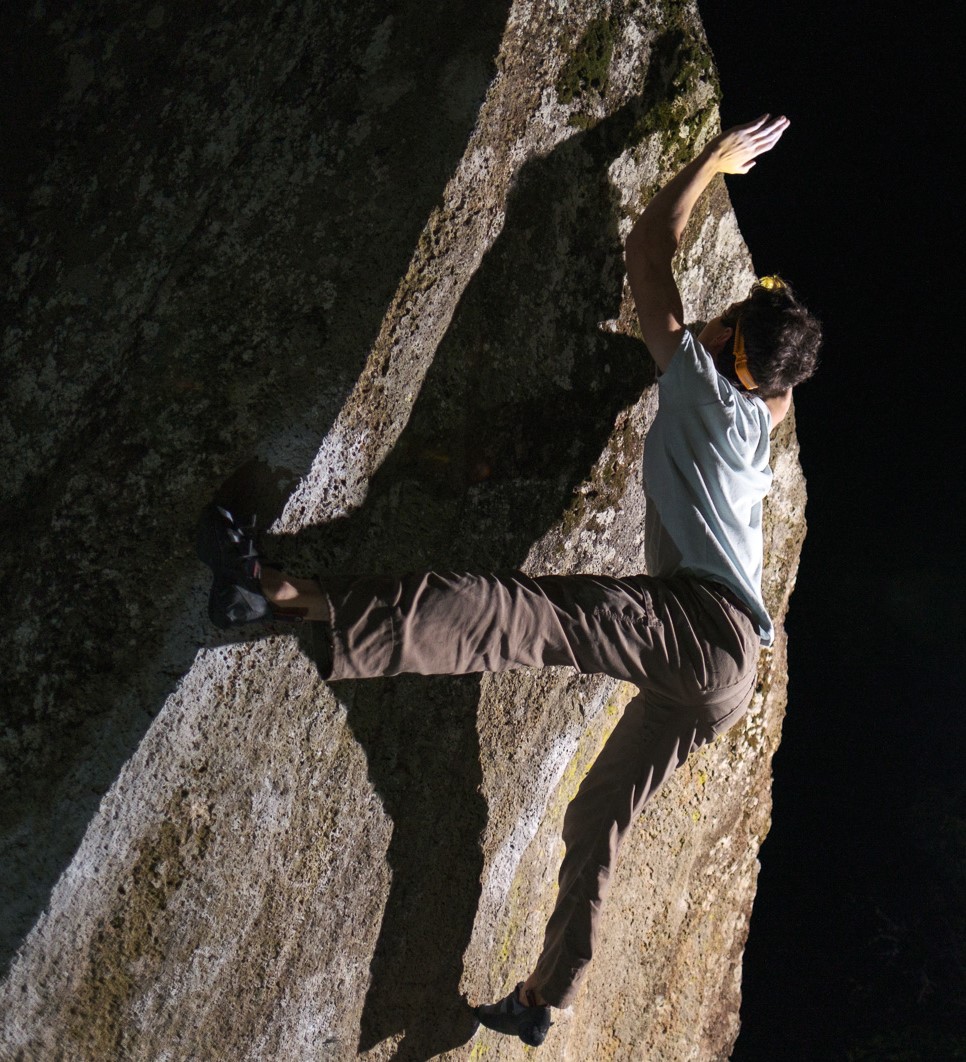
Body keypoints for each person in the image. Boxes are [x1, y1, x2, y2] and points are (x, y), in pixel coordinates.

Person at [197, 114, 821, 1048]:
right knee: (599, 815)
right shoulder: (759, 412)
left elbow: (649, 248)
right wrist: (756, 330)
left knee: (516, 615)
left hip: (702, 627)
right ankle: (547, 995)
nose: (710, 318)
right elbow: (777, 367)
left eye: (723, 318)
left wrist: (712, 161)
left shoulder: (699, 382)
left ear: (725, 344)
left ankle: (273, 587)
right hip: (727, 679)